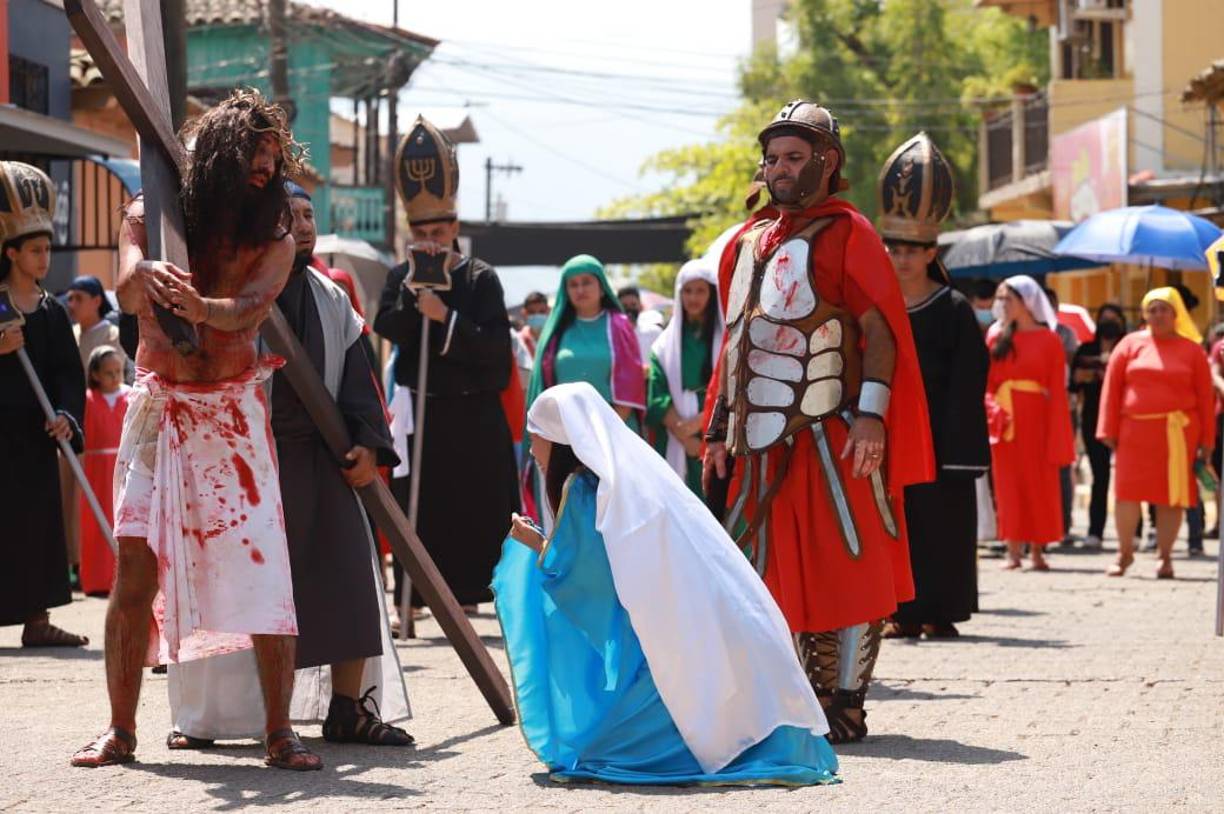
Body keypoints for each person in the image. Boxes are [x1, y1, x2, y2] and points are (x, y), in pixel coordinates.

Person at [71, 90, 318, 770]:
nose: (266, 171)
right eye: (255, 157)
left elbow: (247, 308)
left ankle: (279, 731)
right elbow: (125, 290)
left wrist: (200, 306)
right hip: (159, 410)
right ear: (220, 156)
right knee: (132, 566)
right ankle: (120, 730)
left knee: (264, 573)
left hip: (233, 413)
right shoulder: (151, 214)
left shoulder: (274, 236)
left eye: (274, 159)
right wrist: (146, 274)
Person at [701, 101, 934, 743]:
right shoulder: (746, 242)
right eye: (773, 156)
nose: (779, 168)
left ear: (827, 163)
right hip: (757, 445)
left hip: (833, 432)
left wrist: (873, 420)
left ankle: (847, 702)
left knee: (850, 565)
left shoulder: (850, 233)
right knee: (768, 572)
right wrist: (719, 427)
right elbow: (736, 342)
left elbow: (878, 329)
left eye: (794, 157)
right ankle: (794, 697)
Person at [163, 181, 412, 750]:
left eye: (308, 215)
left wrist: (368, 445)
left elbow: (359, 382)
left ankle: (348, 709)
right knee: (239, 594)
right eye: (288, 215)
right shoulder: (232, 290)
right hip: (249, 465)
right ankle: (216, 718)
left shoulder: (332, 298)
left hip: (322, 458)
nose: (302, 225)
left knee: (348, 573)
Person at [498, 382, 839, 786]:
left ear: (557, 440)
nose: (532, 450)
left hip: (662, 655)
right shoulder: (630, 481)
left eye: (535, 437)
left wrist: (535, 546)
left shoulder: (585, 490)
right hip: (692, 632)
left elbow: (593, 583)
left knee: (602, 753)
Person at [375, 115, 519, 614]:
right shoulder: (401, 277)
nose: (431, 241)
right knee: (424, 512)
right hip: (425, 414)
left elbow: (495, 351)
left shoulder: (482, 279)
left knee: (480, 512)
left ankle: (481, 598)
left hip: (474, 415)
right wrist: (417, 302)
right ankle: (413, 602)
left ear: (454, 227)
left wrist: (447, 319)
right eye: (421, 232)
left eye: (439, 230)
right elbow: (387, 329)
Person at [876, 133, 990, 640]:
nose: (902, 258)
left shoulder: (953, 309)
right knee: (896, 525)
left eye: (913, 250)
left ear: (931, 252)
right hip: (888, 432)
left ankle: (941, 609)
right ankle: (901, 609)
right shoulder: (872, 308)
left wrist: (957, 448)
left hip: (941, 438)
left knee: (941, 525)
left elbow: (969, 383)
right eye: (894, 248)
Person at [0, 161, 88, 648]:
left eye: (47, 248)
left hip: (34, 436)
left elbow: (68, 375)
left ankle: (37, 618)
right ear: (11, 252)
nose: (44, 258)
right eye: (34, 250)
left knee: (36, 527)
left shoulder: (53, 311)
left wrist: (66, 416)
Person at [1097, 287, 1214, 580]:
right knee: (1126, 494)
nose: (1158, 314)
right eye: (1153, 309)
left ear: (1177, 314)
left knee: (1169, 497)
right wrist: (1107, 429)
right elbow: (1112, 390)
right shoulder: (1128, 345)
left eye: (1165, 309)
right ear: (1144, 314)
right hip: (1133, 433)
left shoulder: (1193, 351)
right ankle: (1124, 554)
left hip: (1177, 435)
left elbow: (1205, 399)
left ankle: (1165, 558)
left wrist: (1207, 442)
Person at [985, 275, 1076, 571]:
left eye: (1007, 299)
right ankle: (1013, 550)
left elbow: (1058, 391)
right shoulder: (995, 336)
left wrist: (1059, 432)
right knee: (1007, 484)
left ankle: (1038, 550)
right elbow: (985, 384)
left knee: (1040, 484)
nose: (1002, 305)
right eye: (999, 299)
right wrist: (993, 411)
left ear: (1026, 302)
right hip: (1003, 420)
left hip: (1037, 419)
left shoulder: (1050, 339)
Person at [526, 254, 645, 431]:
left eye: (586, 282)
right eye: (573, 284)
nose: (580, 289)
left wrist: (601, 432)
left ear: (602, 287)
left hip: (614, 430)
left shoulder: (619, 325)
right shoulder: (556, 330)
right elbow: (544, 385)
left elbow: (631, 385)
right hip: (565, 432)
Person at [645, 257, 724, 496]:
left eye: (700, 290)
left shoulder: (725, 341)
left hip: (717, 433)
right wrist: (683, 434)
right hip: (675, 436)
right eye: (688, 291)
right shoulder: (663, 345)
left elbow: (732, 387)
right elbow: (657, 394)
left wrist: (701, 424)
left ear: (711, 293)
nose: (693, 298)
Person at [1069, 303, 1128, 550]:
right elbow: (1073, 383)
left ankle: (1133, 533)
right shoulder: (1086, 349)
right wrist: (1090, 375)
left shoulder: (1130, 348)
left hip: (1126, 420)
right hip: (1094, 421)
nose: (1109, 322)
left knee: (1128, 478)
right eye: (1105, 318)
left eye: (1114, 318)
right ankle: (1095, 531)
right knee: (1100, 477)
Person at [78, 345, 129, 597]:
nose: (115, 377)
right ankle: (97, 579)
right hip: (97, 470)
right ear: (96, 374)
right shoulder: (86, 399)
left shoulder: (130, 396)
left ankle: (123, 578)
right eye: (109, 372)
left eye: (118, 371)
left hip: (124, 468)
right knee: (95, 524)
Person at [1044, 286, 1081, 548]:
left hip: (1062, 407)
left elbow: (1065, 365)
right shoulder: (1010, 332)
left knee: (1062, 466)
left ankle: (1063, 525)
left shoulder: (1065, 334)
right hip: (1028, 409)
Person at [618, 284, 662, 368]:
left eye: (633, 305)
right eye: (624, 306)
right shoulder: (610, 334)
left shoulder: (654, 333)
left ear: (640, 306)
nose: (629, 309)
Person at [517, 290, 549, 360]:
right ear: (524, 313)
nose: (537, 315)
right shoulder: (518, 340)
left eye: (541, 312)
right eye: (532, 312)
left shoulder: (558, 336)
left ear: (548, 311)